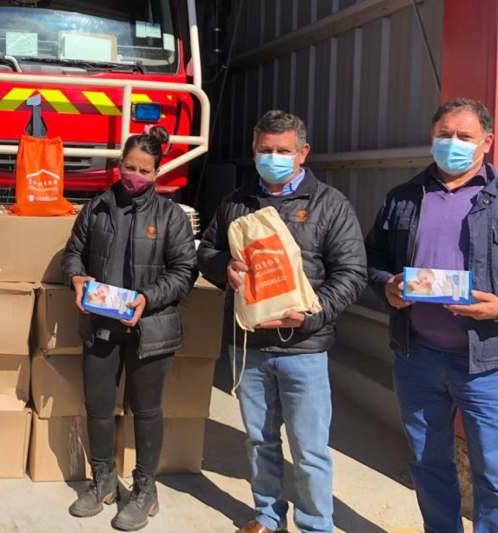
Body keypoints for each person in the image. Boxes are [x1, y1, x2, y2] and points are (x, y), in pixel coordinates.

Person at [198, 110, 367, 533]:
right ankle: (269, 518)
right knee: (259, 441)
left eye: (283, 151)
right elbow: (207, 250)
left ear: (302, 153)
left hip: (304, 350)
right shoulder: (237, 202)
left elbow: (352, 274)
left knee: (309, 450)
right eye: (265, 150)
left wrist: (313, 314)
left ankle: (315, 525)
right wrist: (224, 269)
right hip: (251, 346)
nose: (273, 157)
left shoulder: (329, 204)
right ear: (254, 152)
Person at [366, 98, 498, 533]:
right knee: (428, 465)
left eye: (464, 137)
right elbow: (372, 259)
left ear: (487, 143)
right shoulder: (404, 197)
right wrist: (387, 285)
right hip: (417, 356)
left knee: (494, 475)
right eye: (444, 135)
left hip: (485, 364)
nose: (452, 144)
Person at [62, 126, 197, 532]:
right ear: (118, 164)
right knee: (99, 406)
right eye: (128, 166)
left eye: (143, 170)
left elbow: (184, 271)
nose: (133, 176)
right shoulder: (97, 208)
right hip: (102, 326)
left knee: (146, 409)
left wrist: (147, 298)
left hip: (150, 328)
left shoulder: (170, 216)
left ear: (157, 173)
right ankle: (102, 479)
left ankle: (144, 489)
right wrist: (77, 279)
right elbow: (73, 254)